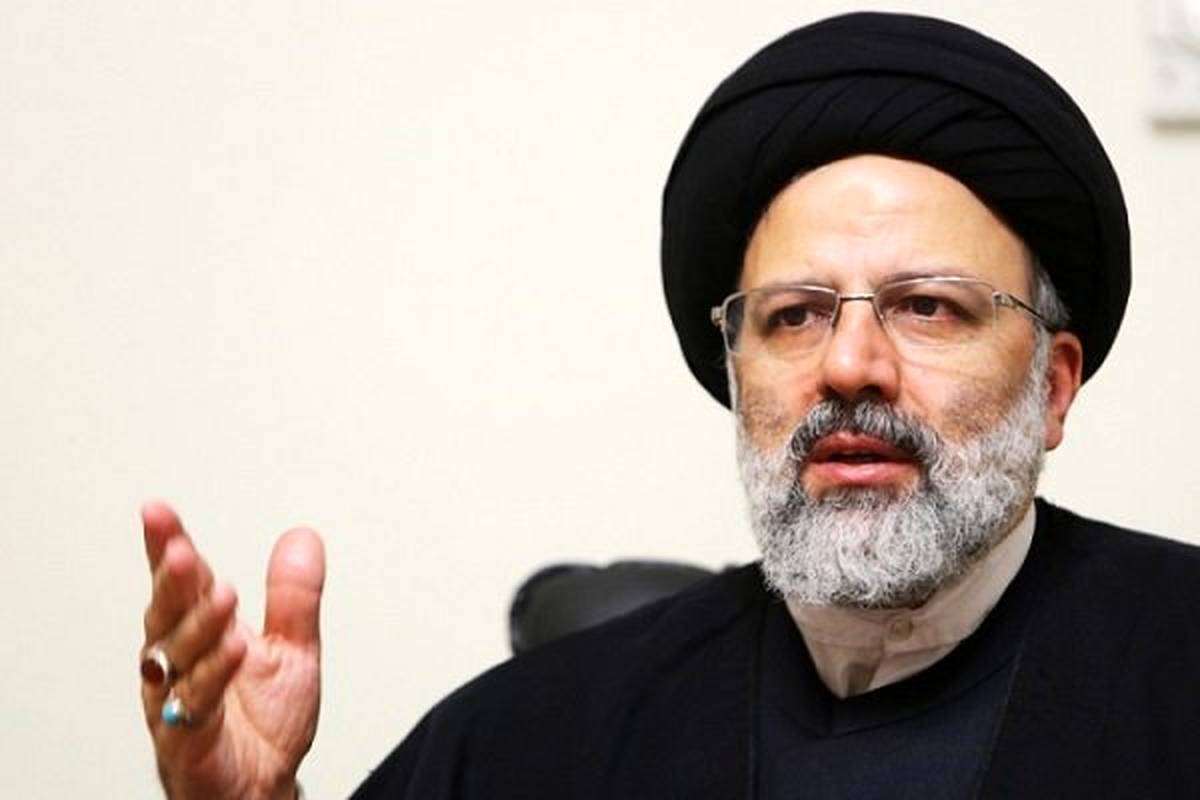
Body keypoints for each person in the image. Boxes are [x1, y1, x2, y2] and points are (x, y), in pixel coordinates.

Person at [136, 12, 1200, 799]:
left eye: (927, 305)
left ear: (1053, 383)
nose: (850, 364)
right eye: (793, 315)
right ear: (738, 373)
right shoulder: (538, 734)